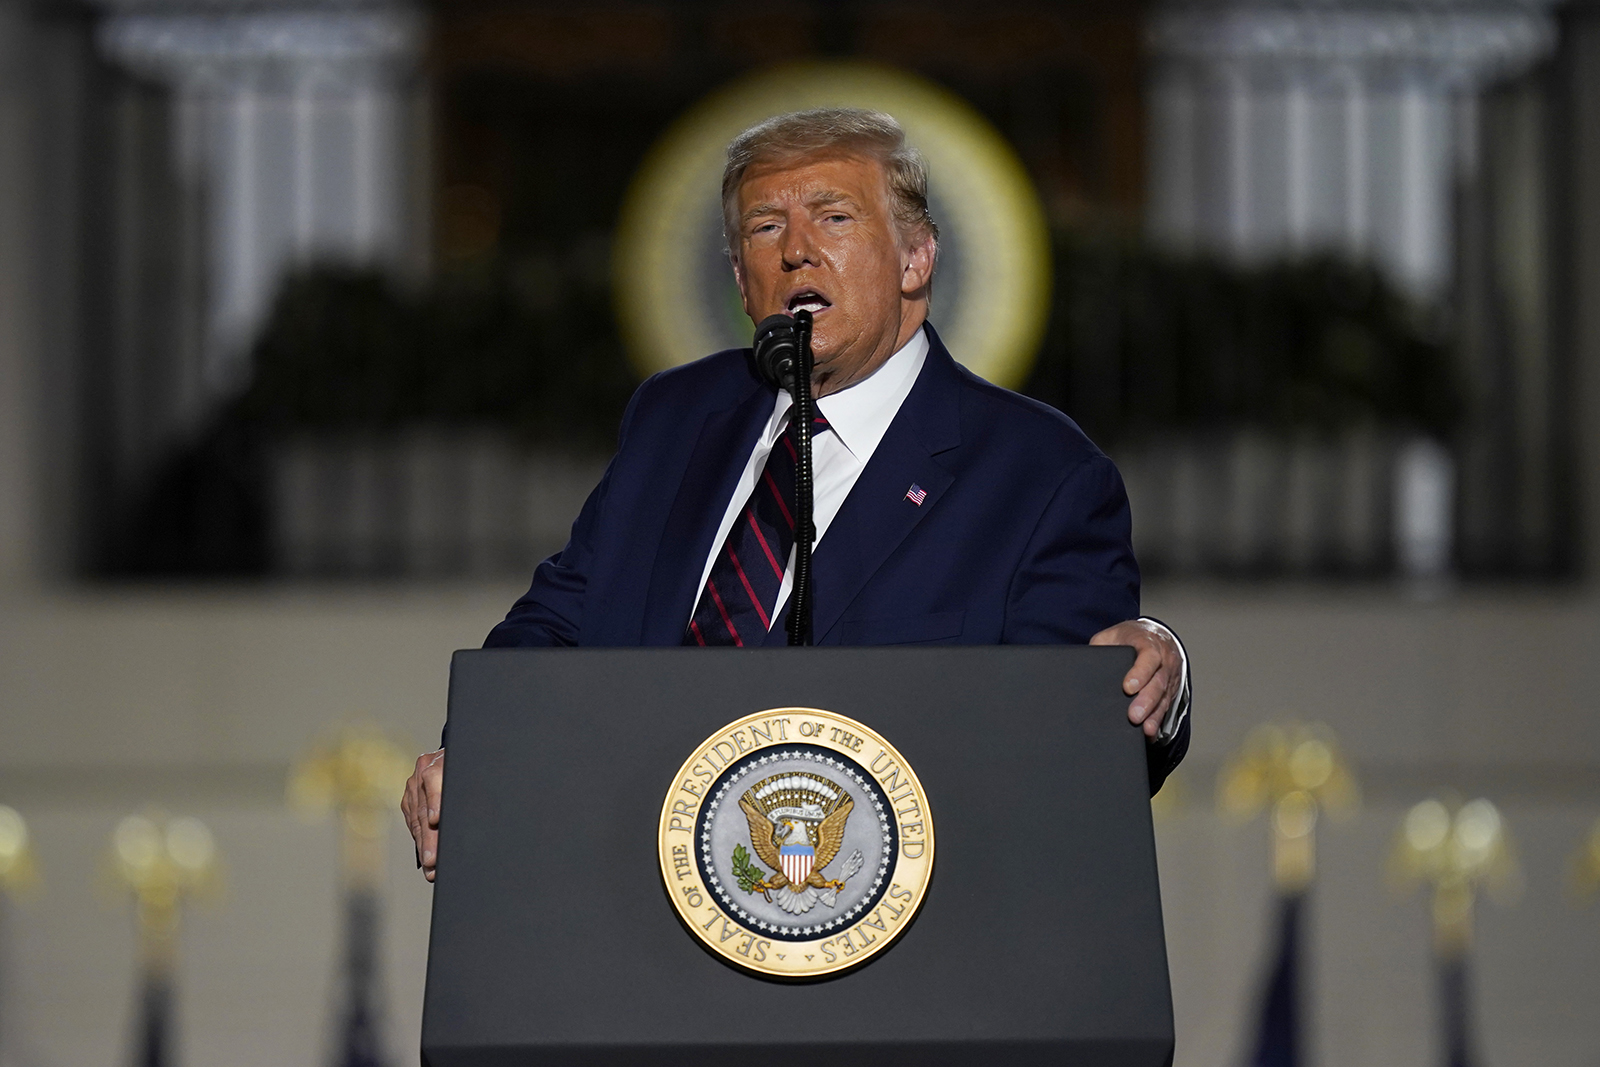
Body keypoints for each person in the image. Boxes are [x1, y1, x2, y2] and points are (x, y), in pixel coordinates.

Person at [403, 108, 1190, 881]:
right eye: (765, 228)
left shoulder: (1039, 472)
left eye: (834, 217)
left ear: (916, 257)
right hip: (636, 904)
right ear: (742, 281)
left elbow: (1074, 742)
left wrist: (1159, 672)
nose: (797, 253)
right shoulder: (676, 419)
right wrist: (477, 750)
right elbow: (556, 625)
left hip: (894, 943)